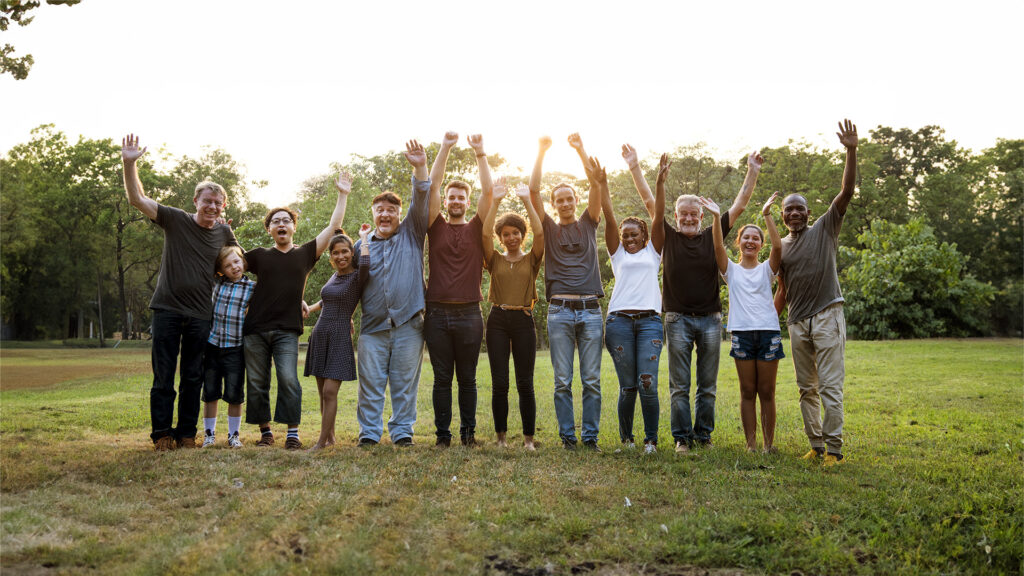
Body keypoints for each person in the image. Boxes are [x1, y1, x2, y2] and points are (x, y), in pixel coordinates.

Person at [625, 142, 763, 454]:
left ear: (702, 215)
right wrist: (635, 166)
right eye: (683, 214)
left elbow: (739, 205)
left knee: (708, 385)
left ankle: (704, 436)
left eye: (694, 214)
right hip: (676, 319)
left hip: (711, 319)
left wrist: (752, 171)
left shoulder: (713, 234)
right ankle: (681, 439)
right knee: (679, 385)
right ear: (676, 216)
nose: (688, 218)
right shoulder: (669, 236)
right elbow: (650, 201)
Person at [120, 134, 238, 451]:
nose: (212, 206)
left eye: (217, 202)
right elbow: (137, 200)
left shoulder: (225, 232)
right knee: (163, 377)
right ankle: (161, 435)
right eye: (207, 201)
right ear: (196, 202)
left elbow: (236, 265)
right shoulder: (175, 219)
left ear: (223, 206)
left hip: (202, 314)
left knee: (192, 377)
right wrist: (129, 164)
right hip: (168, 310)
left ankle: (186, 434)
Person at [243, 172, 351, 450]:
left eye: (286, 220)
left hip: (287, 330)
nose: (281, 224)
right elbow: (228, 264)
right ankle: (266, 432)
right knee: (256, 382)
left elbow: (334, 226)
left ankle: (292, 432)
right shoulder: (257, 255)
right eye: (275, 221)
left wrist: (343, 194)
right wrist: (224, 231)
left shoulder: (304, 254)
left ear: (293, 228)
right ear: (269, 229)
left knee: (289, 379)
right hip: (254, 329)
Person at [775, 119, 859, 467]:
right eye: (788, 210)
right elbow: (782, 289)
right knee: (805, 389)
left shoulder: (825, 227)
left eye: (799, 208)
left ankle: (835, 451)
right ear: (782, 217)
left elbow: (846, 192)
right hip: (797, 323)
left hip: (827, 315)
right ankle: (817, 445)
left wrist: (851, 150)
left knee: (829, 387)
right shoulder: (779, 248)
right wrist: (768, 321)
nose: (794, 212)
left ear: (809, 213)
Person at [353, 140, 430, 447]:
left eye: (391, 210)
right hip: (372, 327)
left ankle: (402, 433)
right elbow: (348, 284)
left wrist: (419, 166)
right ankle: (369, 434)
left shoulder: (412, 232)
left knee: (404, 385)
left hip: (408, 324)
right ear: (373, 213)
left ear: (399, 214)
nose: (385, 214)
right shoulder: (361, 245)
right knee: (370, 385)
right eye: (380, 210)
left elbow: (422, 196)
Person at [529, 134, 604, 451]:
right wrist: (541, 151)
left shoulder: (589, 222)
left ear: (576, 200)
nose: (564, 202)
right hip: (559, 311)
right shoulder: (547, 226)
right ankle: (568, 439)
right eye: (558, 199)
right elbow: (533, 191)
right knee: (562, 381)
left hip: (590, 311)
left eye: (569, 197)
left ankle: (589, 439)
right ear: (553, 204)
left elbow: (596, 186)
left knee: (591, 381)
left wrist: (580, 149)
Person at [423, 132, 495, 448]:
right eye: (450, 197)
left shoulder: (477, 226)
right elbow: (432, 186)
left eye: (459, 197)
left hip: (469, 313)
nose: (453, 201)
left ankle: (468, 435)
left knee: (467, 379)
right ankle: (442, 436)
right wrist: (446, 147)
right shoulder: (434, 225)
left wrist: (480, 152)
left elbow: (489, 191)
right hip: (436, 313)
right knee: (441, 379)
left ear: (467, 202)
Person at [707, 192, 784, 453]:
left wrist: (766, 216)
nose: (751, 241)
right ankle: (751, 445)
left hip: (768, 333)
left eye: (756, 238)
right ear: (739, 242)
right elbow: (717, 247)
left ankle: (768, 445)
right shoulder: (731, 270)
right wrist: (718, 217)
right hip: (741, 333)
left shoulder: (767, 269)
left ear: (760, 244)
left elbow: (778, 247)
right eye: (746, 237)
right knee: (747, 391)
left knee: (767, 391)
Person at [600, 153, 667, 454]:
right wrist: (602, 184)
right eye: (625, 235)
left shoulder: (654, 253)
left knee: (647, 383)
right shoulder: (618, 256)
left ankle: (650, 441)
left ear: (644, 234)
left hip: (650, 321)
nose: (628, 237)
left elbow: (660, 217)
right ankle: (626, 441)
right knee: (628, 386)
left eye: (634, 233)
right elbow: (609, 216)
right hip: (619, 323)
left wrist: (660, 183)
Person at [481, 177, 544, 451]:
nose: (511, 237)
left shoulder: (532, 258)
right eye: (505, 234)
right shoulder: (494, 258)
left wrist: (527, 201)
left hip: (522, 320)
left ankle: (529, 440)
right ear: (501, 238)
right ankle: (502, 438)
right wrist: (494, 201)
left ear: (522, 234)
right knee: (500, 382)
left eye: (516, 232)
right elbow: (483, 235)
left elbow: (541, 234)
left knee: (524, 382)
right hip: (497, 320)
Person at [303, 224, 371, 450]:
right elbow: (327, 299)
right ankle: (329, 437)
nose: (340, 256)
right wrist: (309, 308)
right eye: (336, 253)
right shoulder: (334, 276)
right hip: (320, 334)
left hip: (340, 336)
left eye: (345, 251)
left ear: (352, 252)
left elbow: (366, 263)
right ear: (330, 257)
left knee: (331, 391)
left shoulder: (357, 277)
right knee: (322, 392)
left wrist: (363, 238)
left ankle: (321, 441)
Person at [201, 246, 255, 449]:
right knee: (210, 392)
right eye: (228, 265)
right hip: (213, 345)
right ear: (221, 270)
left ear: (243, 262)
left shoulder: (252, 287)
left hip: (235, 348)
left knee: (234, 393)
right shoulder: (217, 284)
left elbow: (274, 297)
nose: (234, 267)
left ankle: (234, 435)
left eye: (237, 262)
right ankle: (209, 434)